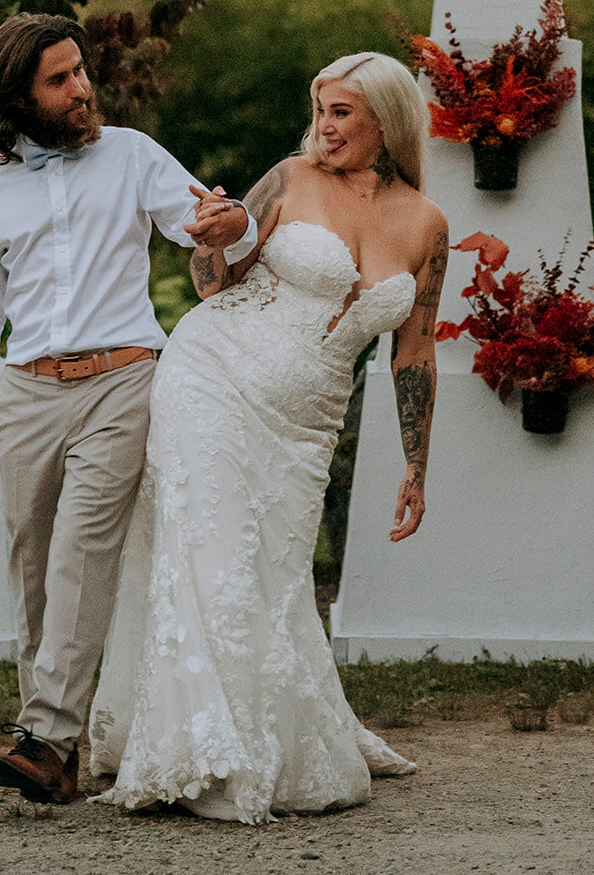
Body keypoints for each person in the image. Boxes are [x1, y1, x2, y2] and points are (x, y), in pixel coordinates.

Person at [89, 51, 447, 824]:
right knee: (213, 550)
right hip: (212, 377)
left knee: (275, 572)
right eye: (320, 108)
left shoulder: (426, 224)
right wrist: (213, 238)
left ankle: (272, 734)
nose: (325, 126)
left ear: (386, 121)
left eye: (342, 111)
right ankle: (201, 752)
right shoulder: (289, 178)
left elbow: (415, 351)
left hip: (307, 423)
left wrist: (415, 464)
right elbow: (214, 278)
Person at [0, 13, 256, 806]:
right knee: (33, 565)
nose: (81, 88)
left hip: (122, 382)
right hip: (26, 391)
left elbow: (210, 230)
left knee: (82, 552)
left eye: (80, 70)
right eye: (59, 79)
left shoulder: (133, 155)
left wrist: (235, 223)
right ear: (21, 97)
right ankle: (58, 751)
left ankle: (41, 735)